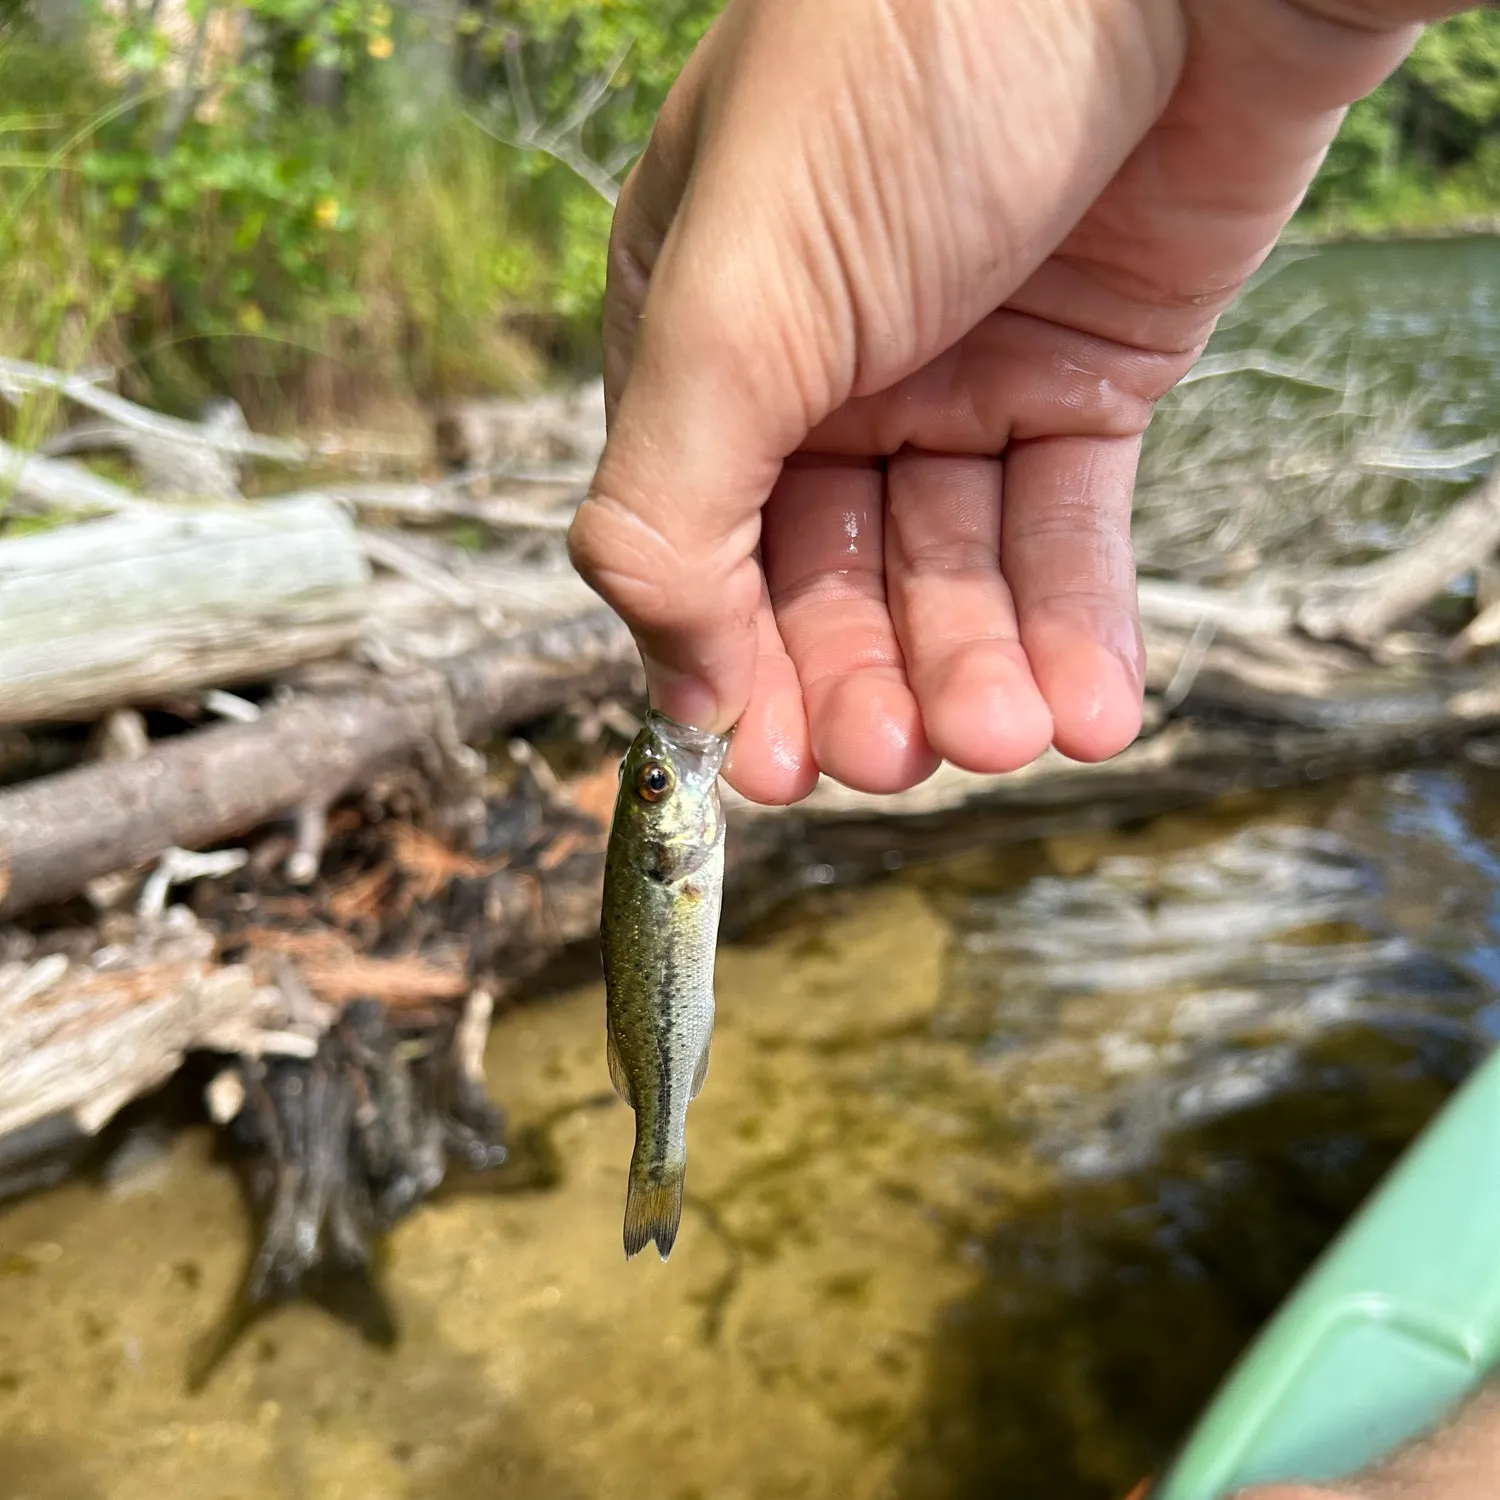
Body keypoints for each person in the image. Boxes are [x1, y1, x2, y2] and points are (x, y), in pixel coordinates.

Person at [568, 2, 1494, 1495]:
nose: (668, 775)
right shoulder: (680, 835)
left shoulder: (682, 815)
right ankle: (655, 1147)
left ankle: (654, 1152)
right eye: (657, 785)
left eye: (657, 782)